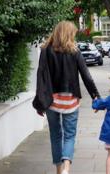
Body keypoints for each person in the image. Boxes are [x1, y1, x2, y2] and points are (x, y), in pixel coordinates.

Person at [33, 21, 101, 174]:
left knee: (56, 136)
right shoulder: (74, 51)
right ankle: (66, 168)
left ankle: (58, 170)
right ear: (69, 34)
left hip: (51, 101)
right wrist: (95, 96)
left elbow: (41, 75)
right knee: (69, 135)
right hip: (70, 101)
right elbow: (86, 76)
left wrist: (39, 102)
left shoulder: (45, 50)